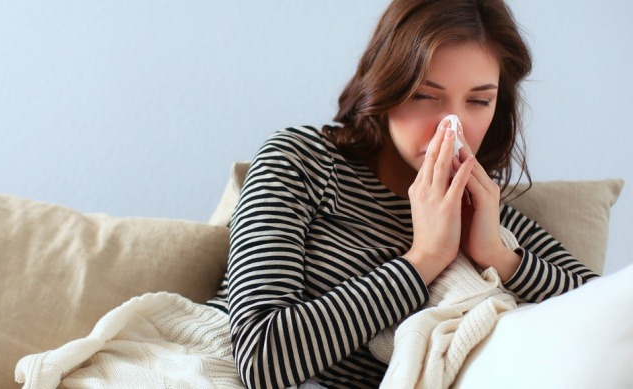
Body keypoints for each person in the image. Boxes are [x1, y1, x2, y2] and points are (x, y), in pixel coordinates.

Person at [209, 0, 599, 387]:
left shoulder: (488, 213)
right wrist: (424, 259)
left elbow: (607, 311)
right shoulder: (302, 161)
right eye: (425, 96)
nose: (452, 126)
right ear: (387, 84)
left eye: (479, 101)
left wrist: (499, 256)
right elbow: (261, 358)